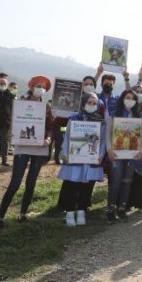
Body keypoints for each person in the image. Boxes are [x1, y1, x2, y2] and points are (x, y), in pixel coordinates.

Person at [0, 76, 54, 233]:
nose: (40, 89)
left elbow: (50, 127)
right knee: (15, 182)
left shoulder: (46, 107)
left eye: (43, 87)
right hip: (22, 148)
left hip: (39, 148)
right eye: (38, 86)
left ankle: (22, 214)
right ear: (32, 87)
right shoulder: (20, 103)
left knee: (31, 182)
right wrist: (9, 133)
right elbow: (13, 121)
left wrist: (48, 138)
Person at [57, 93, 106, 227]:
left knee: (87, 187)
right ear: (83, 103)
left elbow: (102, 141)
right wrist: (66, 153)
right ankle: (70, 213)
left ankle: (81, 212)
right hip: (74, 158)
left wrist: (101, 154)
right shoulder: (74, 118)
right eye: (89, 102)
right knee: (72, 186)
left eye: (94, 103)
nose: (92, 105)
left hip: (91, 159)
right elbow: (66, 137)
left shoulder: (101, 122)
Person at [105, 90, 142, 224]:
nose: (130, 100)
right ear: (122, 99)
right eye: (127, 97)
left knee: (127, 182)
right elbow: (108, 133)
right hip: (116, 153)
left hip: (132, 155)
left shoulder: (138, 116)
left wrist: (141, 152)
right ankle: (110, 209)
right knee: (115, 182)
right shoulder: (114, 114)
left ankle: (122, 208)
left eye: (133, 98)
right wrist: (109, 149)